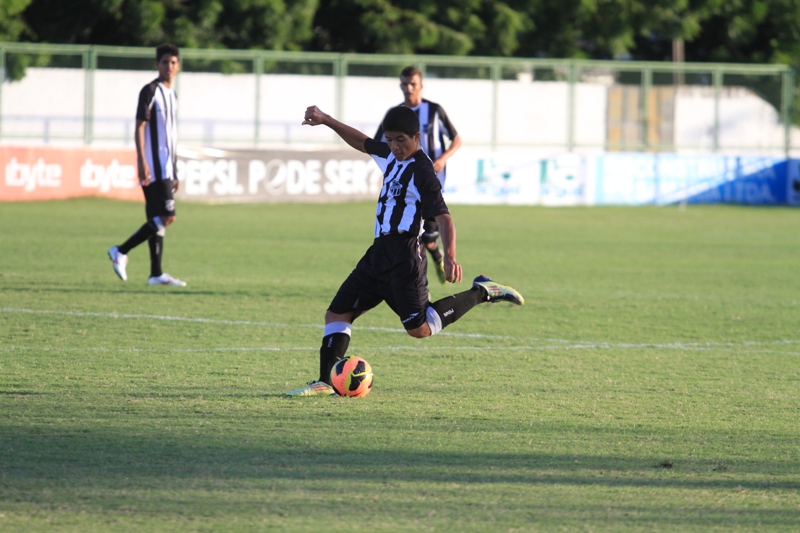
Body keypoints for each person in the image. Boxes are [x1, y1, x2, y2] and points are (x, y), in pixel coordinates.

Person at [287, 105, 523, 397]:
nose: (395, 147)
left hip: (405, 258)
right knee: (337, 312)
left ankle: (482, 291)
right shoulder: (389, 155)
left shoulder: (423, 171)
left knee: (420, 329)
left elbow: (444, 217)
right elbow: (362, 141)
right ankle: (325, 380)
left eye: (401, 140)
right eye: (390, 140)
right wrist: (326, 120)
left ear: (416, 136)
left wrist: (449, 258)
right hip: (377, 254)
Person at [375, 66, 462, 284]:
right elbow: (378, 145)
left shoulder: (434, 111)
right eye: (404, 84)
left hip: (430, 181)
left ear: (421, 86)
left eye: (412, 84)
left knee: (428, 235)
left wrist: (442, 158)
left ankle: (427, 273)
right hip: (404, 185)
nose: (408, 88)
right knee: (421, 235)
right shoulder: (394, 115)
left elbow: (456, 139)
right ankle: (423, 281)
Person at [108, 43, 186, 286]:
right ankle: (120, 251)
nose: (169, 67)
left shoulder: (172, 94)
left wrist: (175, 169)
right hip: (153, 165)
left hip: (167, 167)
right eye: (165, 62)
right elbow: (140, 126)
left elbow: (170, 135)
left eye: (173, 62)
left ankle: (155, 274)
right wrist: (142, 161)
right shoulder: (150, 91)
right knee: (167, 216)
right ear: (157, 64)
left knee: (156, 217)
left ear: (178, 65)